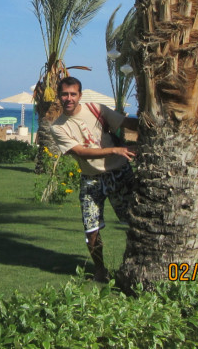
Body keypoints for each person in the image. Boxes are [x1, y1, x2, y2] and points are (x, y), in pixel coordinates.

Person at [50, 76, 138, 282]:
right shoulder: (58, 127)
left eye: (73, 94)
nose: (69, 98)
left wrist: (152, 125)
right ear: (59, 96)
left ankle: (137, 264)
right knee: (91, 229)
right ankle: (100, 270)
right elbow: (81, 152)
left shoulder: (95, 109)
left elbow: (125, 122)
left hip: (119, 173)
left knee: (136, 221)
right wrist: (115, 150)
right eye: (65, 94)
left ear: (80, 95)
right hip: (91, 180)